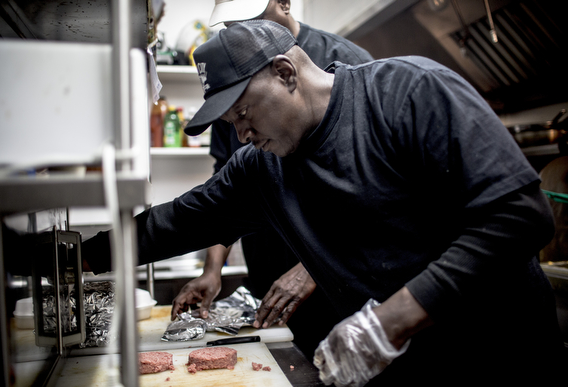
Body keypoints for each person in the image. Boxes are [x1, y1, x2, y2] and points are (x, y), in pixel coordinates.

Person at [82, 21, 565, 385]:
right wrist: (63, 256)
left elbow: (521, 214)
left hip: (505, 355)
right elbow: (171, 224)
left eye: (243, 113)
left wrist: (387, 322)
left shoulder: (407, 92)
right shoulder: (260, 166)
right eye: (230, 123)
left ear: (286, 72)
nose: (242, 133)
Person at [171, 0, 374, 360]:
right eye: (231, 25)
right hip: (268, 274)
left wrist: (312, 267)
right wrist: (212, 270)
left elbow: (370, 192)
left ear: (283, 3)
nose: (240, 35)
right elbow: (226, 183)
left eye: (250, 20)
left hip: (335, 284)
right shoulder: (232, 88)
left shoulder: (345, 61)